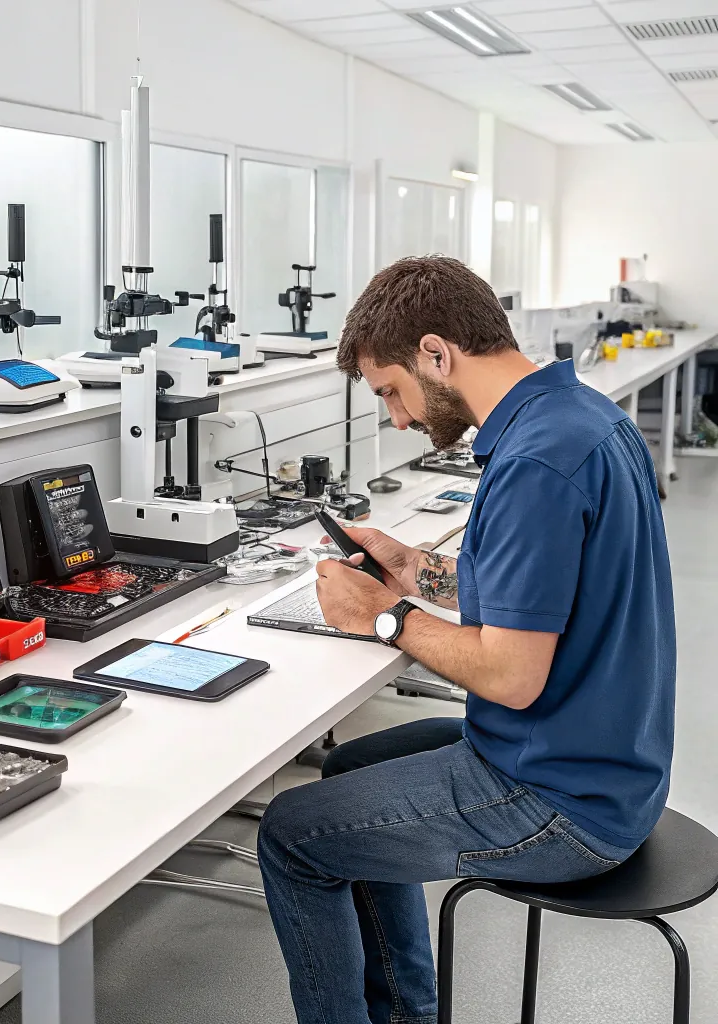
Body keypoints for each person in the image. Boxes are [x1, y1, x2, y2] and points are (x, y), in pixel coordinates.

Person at [256, 256, 676, 1024]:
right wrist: (412, 568)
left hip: (562, 800)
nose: (398, 419)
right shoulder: (579, 418)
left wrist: (382, 618)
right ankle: (407, 1012)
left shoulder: (536, 463)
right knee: (349, 764)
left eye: (391, 392)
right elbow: (541, 593)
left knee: (290, 836)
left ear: (436, 353)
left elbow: (510, 677)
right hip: (606, 757)